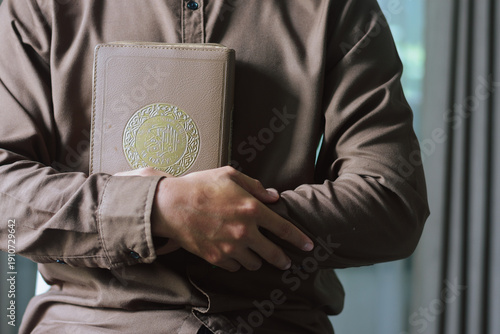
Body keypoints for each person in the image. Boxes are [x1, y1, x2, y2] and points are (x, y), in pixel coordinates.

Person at [0, 0, 429, 333]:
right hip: (90, 321)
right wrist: (156, 209)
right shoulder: (38, 7)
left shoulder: (338, 9)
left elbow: (392, 198)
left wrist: (230, 217)